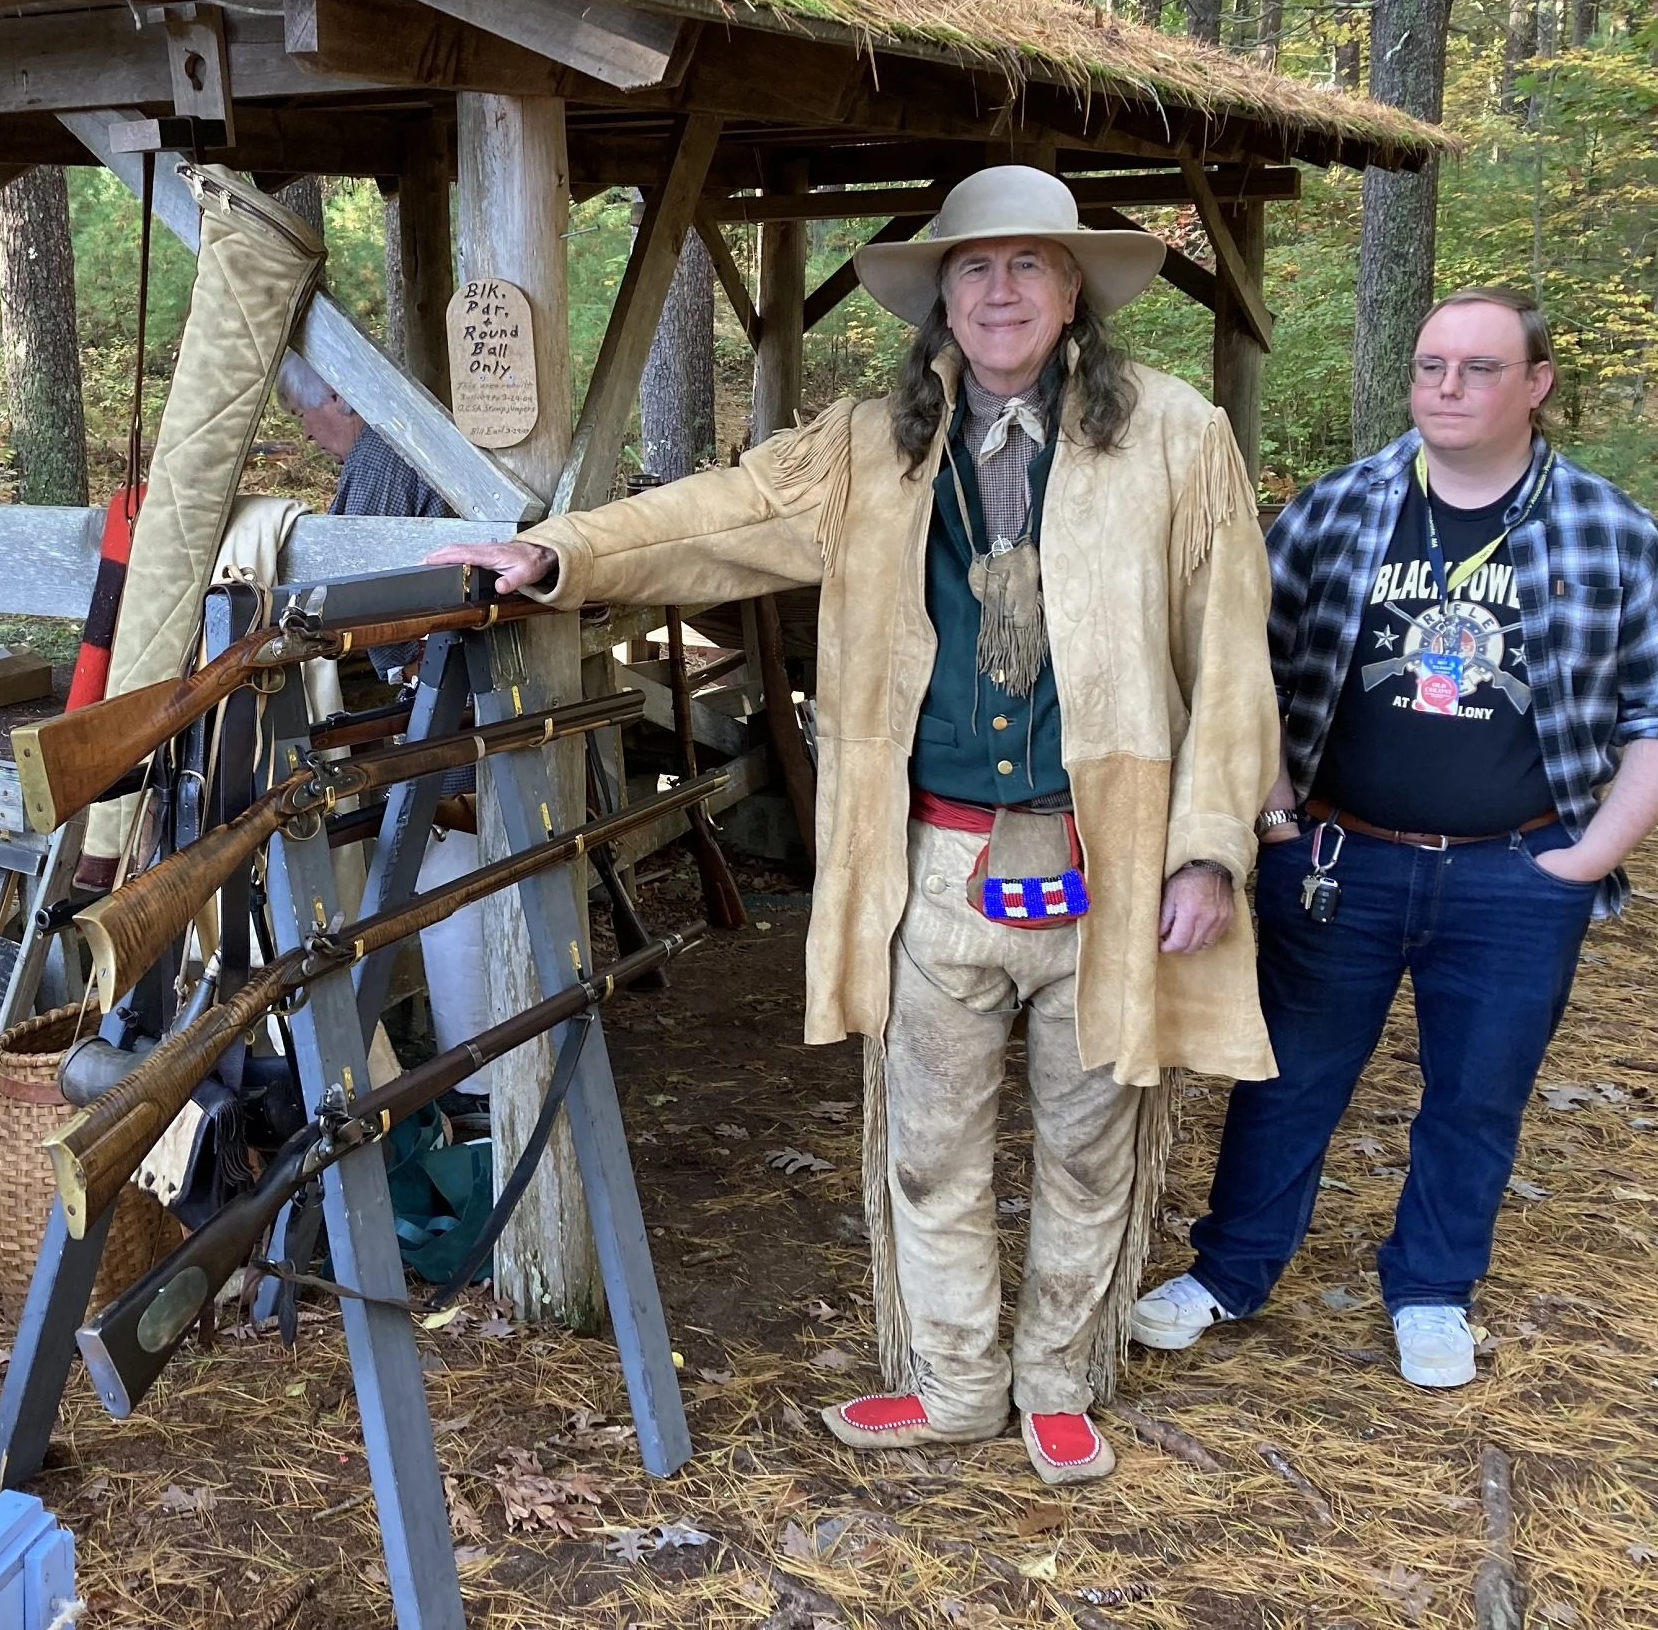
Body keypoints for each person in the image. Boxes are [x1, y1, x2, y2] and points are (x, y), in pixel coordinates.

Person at [431, 164, 1279, 1485]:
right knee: (928, 1138)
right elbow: (720, 513)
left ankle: (1060, 1379)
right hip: (931, 861)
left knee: (1090, 1131)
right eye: (975, 267)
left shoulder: (1176, 435)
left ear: (1073, 291)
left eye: (1028, 266)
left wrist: (1213, 843)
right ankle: (950, 1382)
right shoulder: (872, 442)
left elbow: (1231, 653)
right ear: (941, 291)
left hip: (1112, 856)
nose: (1001, 292)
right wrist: (565, 553)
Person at [1131, 286, 1658, 1388]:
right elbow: (1236, 669)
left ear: (1536, 386)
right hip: (1336, 862)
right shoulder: (1336, 511)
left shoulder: (1609, 532)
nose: (1446, 388)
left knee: (1477, 1093)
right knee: (1288, 1078)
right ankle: (1231, 1270)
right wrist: (1270, 821)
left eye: (1478, 368)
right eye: (1429, 366)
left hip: (1516, 872)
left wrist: (1585, 861)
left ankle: (1432, 1289)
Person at [277, 360, 492, 1129]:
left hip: (443, 687)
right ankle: (478, 1070)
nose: (315, 438)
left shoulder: (378, 457)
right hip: (452, 678)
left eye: (312, 422)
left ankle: (476, 1083)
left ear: (340, 395)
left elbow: (339, 583)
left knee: (449, 875)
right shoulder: (410, 449)